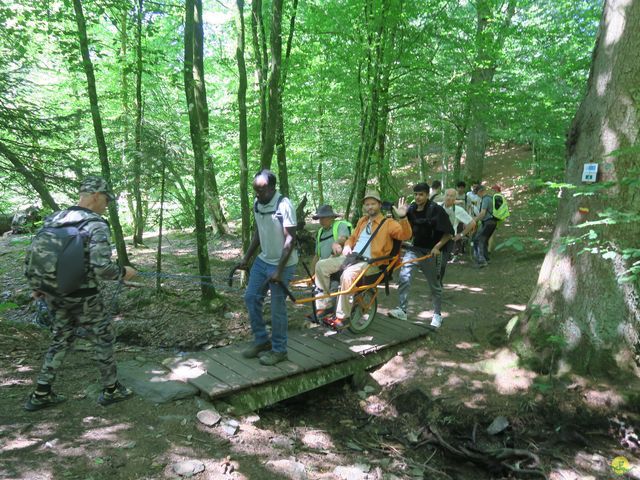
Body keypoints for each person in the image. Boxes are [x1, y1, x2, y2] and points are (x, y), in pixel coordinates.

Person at [24, 176, 137, 411]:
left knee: (61, 338)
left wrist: (38, 286)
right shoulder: (95, 224)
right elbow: (103, 268)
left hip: (54, 293)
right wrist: (124, 272)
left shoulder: (55, 218)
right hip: (84, 296)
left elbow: (36, 255)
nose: (107, 204)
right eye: (106, 199)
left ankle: (41, 393)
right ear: (96, 196)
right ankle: (112, 389)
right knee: (103, 337)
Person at [314, 190, 411, 329]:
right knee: (320, 265)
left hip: (372, 262)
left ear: (379, 205)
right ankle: (325, 305)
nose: (370, 207)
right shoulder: (362, 221)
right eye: (367, 204)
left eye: (373, 204)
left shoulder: (389, 223)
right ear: (364, 207)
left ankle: (343, 316)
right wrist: (347, 246)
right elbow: (352, 238)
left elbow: (405, 235)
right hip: (352, 257)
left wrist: (403, 218)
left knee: (347, 275)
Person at [236, 170, 298, 366]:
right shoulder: (257, 204)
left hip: (283, 262)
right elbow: (258, 231)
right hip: (263, 260)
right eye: (255, 191)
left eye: (261, 191)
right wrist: (247, 257)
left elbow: (290, 238)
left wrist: (279, 270)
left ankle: (280, 350)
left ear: (272, 188)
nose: (257, 195)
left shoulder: (284, 205)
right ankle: (262, 340)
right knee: (251, 297)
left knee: (277, 308)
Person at [388, 183, 453, 328]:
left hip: (430, 253)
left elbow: (448, 234)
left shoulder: (436, 210)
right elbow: (404, 231)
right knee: (404, 277)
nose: (418, 197)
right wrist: (402, 217)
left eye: (421, 194)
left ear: (427, 195)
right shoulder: (410, 209)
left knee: (435, 286)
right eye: (415, 194)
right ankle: (402, 310)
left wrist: (437, 247)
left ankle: (437, 315)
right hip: (413, 250)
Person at [440, 189, 476, 281]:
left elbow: (472, 223)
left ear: (455, 198)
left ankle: (438, 285)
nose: (448, 197)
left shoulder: (458, 210)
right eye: (447, 195)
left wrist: (461, 235)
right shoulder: (438, 207)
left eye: (451, 196)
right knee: (433, 263)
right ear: (444, 196)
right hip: (434, 239)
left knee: (442, 264)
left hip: (449, 240)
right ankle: (436, 285)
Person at [471, 184, 497, 267]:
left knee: (478, 239)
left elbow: (482, 214)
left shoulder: (485, 199)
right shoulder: (491, 198)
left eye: (477, 193)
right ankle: (486, 258)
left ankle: (482, 261)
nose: (477, 195)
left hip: (488, 222)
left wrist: (473, 220)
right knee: (484, 240)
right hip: (493, 222)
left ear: (480, 191)